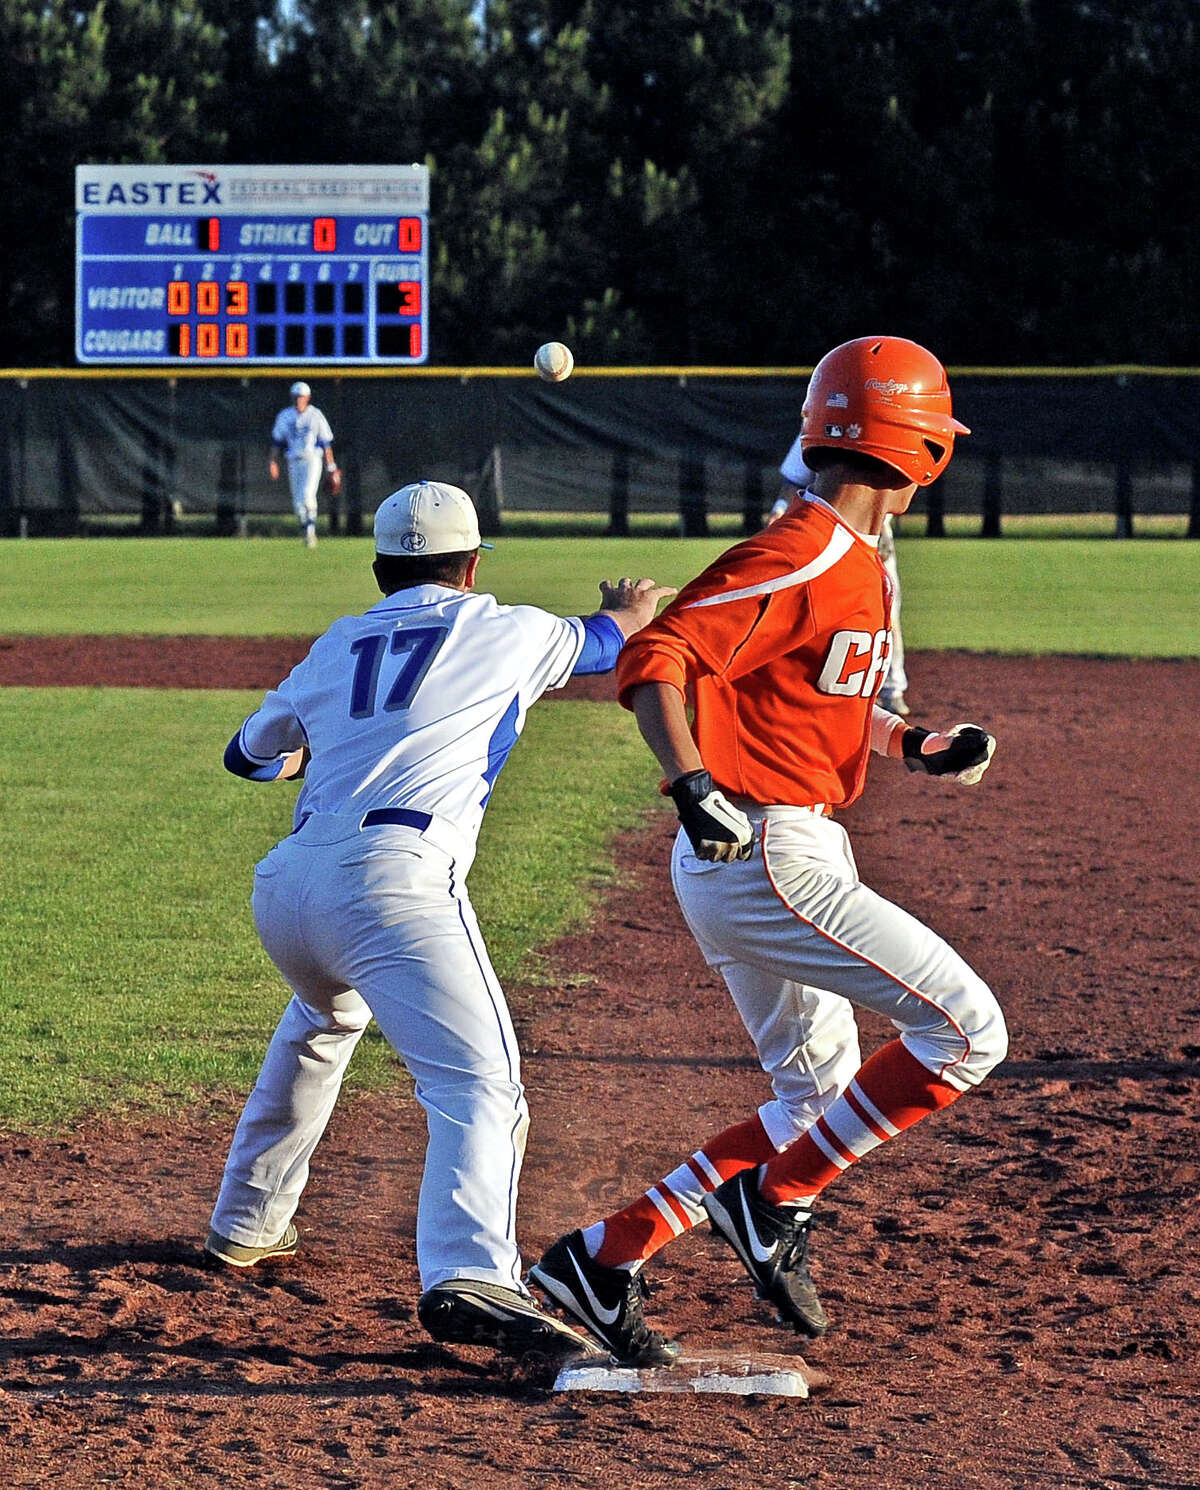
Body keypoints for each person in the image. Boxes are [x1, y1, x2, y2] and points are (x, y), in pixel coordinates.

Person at [530, 336, 1008, 1364]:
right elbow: (659, 655)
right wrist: (690, 782)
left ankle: (605, 1258)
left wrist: (915, 740)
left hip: (773, 848)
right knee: (968, 1032)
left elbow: (836, 704)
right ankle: (779, 1195)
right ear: (919, 447)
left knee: (820, 1094)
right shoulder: (805, 550)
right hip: (763, 852)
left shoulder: (858, 560)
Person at [204, 478, 675, 1361]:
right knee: (479, 1085)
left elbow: (247, 758)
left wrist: (322, 746)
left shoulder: (337, 643)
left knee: (322, 1019)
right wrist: (629, 605)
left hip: (290, 886)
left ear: (381, 568)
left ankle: (246, 1222)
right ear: (471, 565)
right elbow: (612, 643)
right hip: (398, 883)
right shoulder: (507, 626)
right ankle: (471, 1271)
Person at [770, 444, 909, 714]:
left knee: (885, 612)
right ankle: (816, 686)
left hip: (872, 531)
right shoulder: (815, 427)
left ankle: (892, 687)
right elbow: (793, 479)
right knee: (813, 610)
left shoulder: (877, 430)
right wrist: (779, 508)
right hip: (816, 533)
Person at [269, 381, 339, 548]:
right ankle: (306, 530)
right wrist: (273, 462)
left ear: (307, 398)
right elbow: (277, 442)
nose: (298, 400)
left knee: (307, 495)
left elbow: (325, 443)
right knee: (298, 502)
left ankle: (310, 532)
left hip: (312, 459)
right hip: (293, 460)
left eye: (301, 397)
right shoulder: (285, 416)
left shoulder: (316, 415)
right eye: (296, 397)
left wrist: (331, 467)